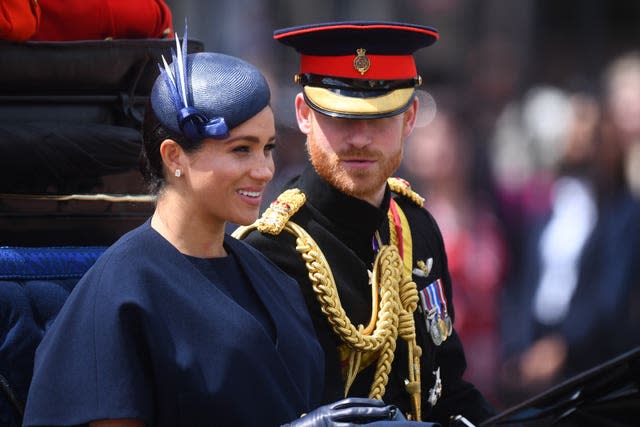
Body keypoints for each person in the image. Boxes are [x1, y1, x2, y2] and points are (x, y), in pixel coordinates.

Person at [21, 30, 415, 427]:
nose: (263, 171)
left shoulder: (267, 274)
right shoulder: (121, 290)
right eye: (240, 149)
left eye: (268, 148)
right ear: (174, 156)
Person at [236, 21, 495, 426]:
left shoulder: (418, 226)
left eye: (378, 118)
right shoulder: (267, 251)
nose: (360, 139)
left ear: (409, 118)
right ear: (304, 114)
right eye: (340, 118)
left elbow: (449, 386)